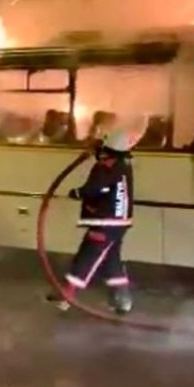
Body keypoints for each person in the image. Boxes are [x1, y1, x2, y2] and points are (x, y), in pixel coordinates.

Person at [50, 128, 136, 315]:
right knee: (111, 261)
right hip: (119, 222)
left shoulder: (105, 166)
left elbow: (94, 188)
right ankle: (122, 300)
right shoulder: (124, 165)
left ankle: (66, 297)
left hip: (105, 222)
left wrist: (77, 193)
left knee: (87, 257)